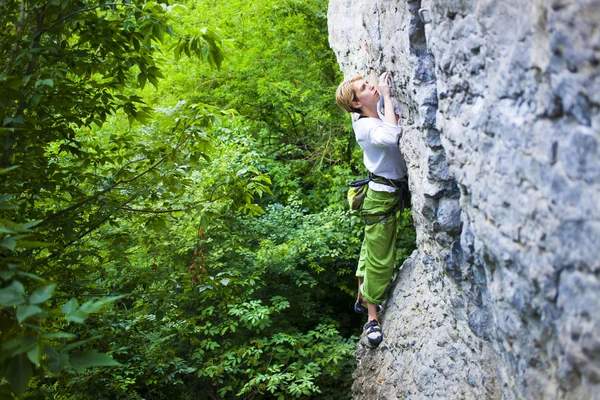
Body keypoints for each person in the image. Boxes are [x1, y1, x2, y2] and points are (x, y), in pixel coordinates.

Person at [335, 71, 408, 348]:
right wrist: (387, 96)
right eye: (364, 88)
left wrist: (375, 82)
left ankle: (361, 295)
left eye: (368, 84)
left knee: (370, 246)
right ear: (356, 104)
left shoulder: (364, 112)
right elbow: (391, 136)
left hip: (378, 193)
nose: (371, 87)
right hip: (382, 198)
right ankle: (372, 319)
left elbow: (372, 91)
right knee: (380, 258)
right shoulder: (366, 126)